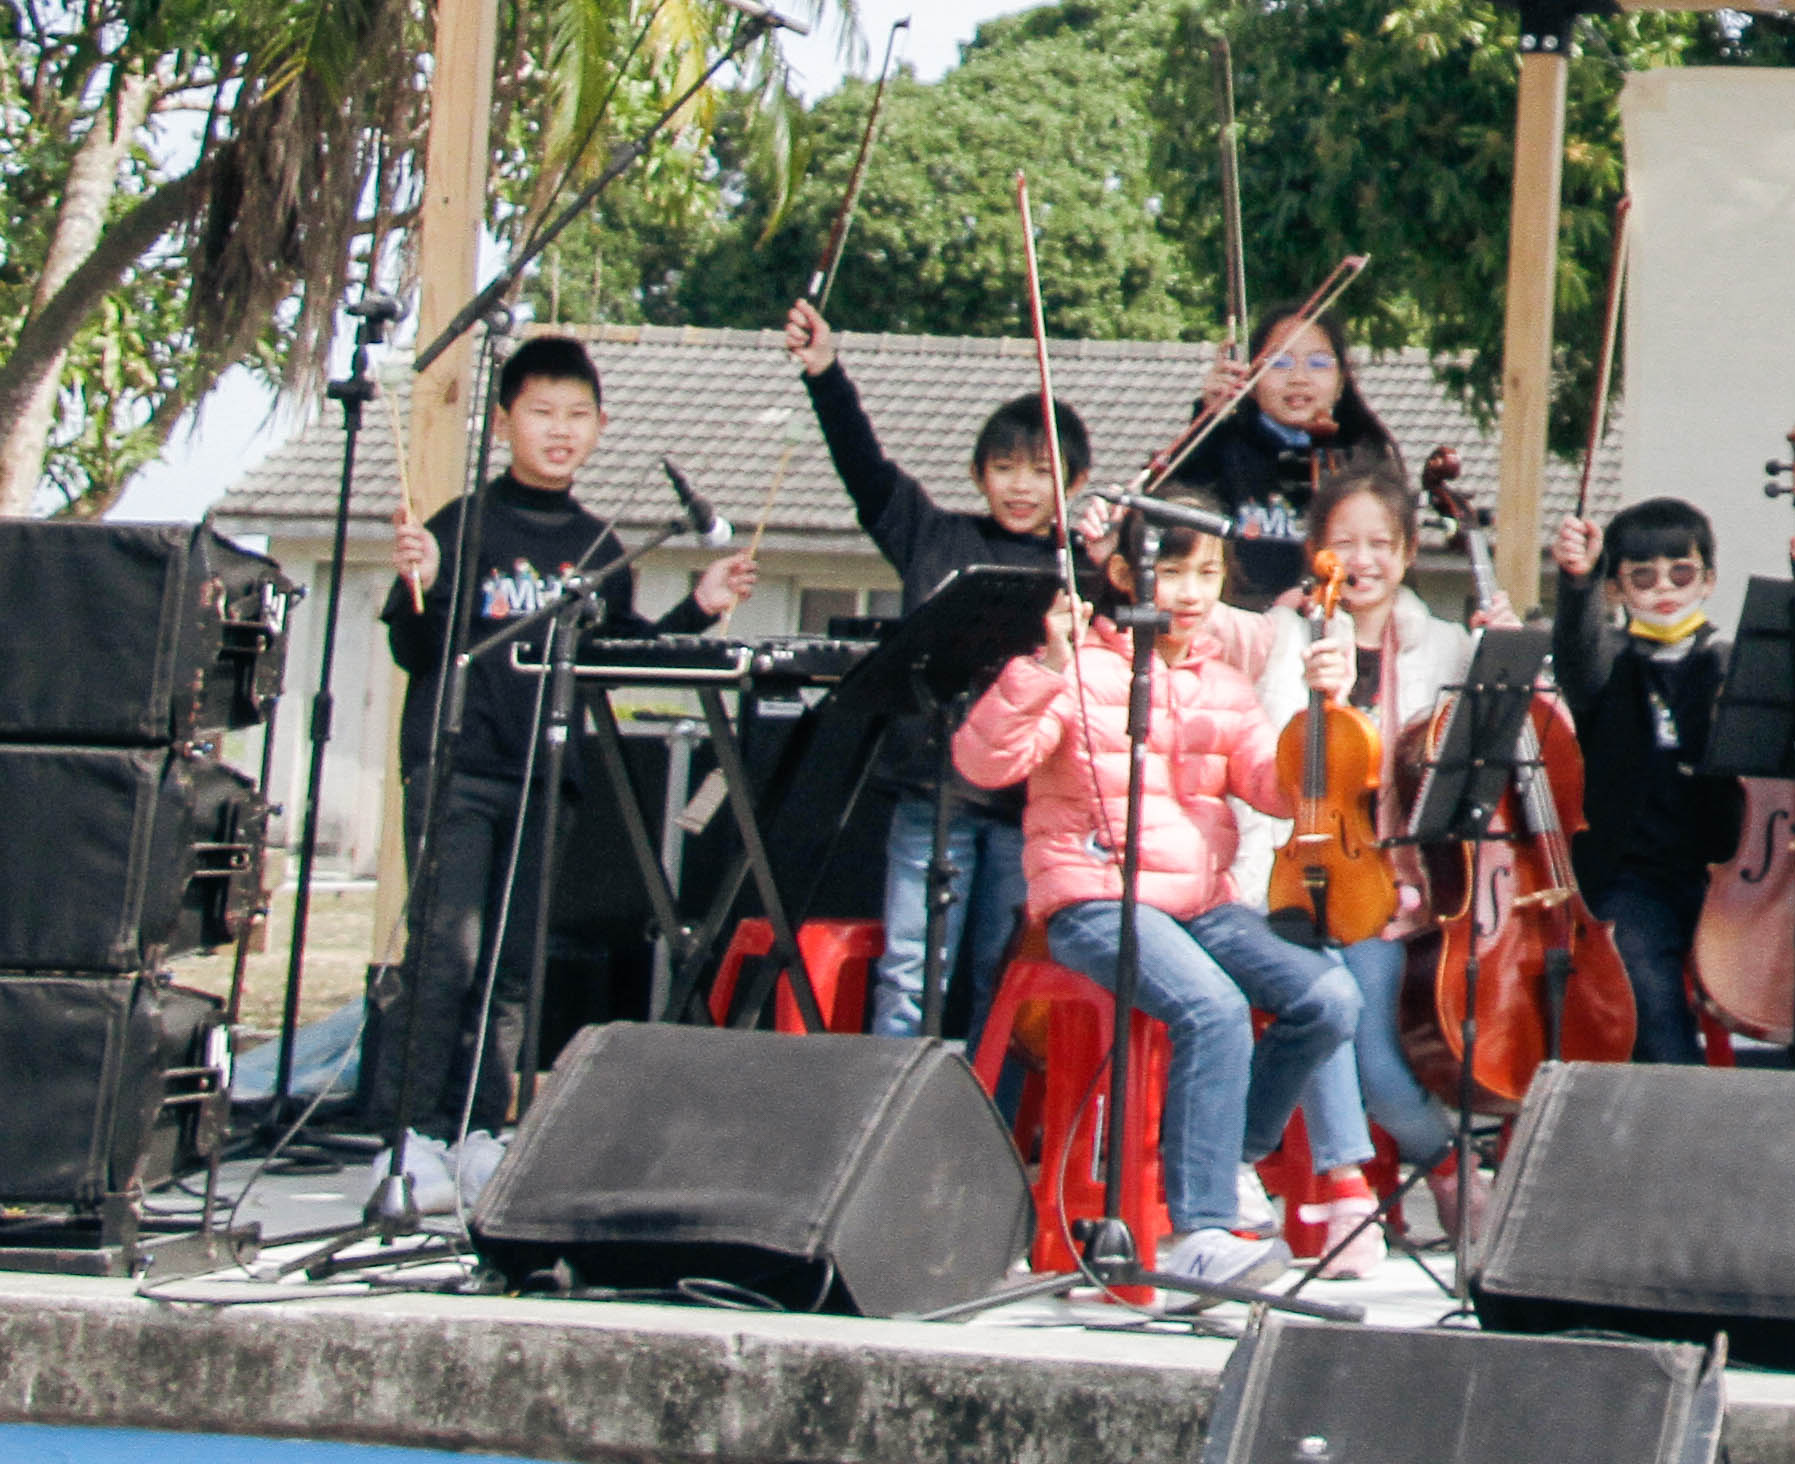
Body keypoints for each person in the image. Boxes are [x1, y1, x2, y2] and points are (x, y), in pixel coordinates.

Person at [953, 480, 1370, 1288]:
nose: (1190, 594)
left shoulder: (1225, 684)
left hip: (1200, 902)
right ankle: (1204, 1228)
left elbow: (1280, 790)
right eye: (1172, 572)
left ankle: (1229, 1156)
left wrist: (1326, 710)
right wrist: (1045, 669)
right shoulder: (1082, 670)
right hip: (1093, 895)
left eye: (1206, 575)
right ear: (1124, 575)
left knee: (1329, 998)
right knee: (1213, 1008)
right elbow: (982, 763)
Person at [379, 332, 759, 1208]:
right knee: (445, 955)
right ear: (504, 422)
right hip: (460, 767)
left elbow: (615, 659)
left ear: (600, 428)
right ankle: (410, 1138)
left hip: (547, 775)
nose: (559, 430)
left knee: (513, 963)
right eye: (541, 412)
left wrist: (697, 608)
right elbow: (417, 651)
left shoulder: (598, 546)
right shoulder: (461, 526)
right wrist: (421, 584)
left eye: (577, 415)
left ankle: (480, 1129)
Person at [783, 295, 1078, 1043]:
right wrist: (826, 375)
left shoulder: (1079, 565)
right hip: (931, 789)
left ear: (1073, 485)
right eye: (1004, 468)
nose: (1021, 487)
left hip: (1026, 805)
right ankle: (900, 1107)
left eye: (1041, 472)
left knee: (999, 979)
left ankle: (983, 1109)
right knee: (912, 973)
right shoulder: (933, 536)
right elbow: (864, 467)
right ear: (978, 474)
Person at [1255, 463, 1482, 1235]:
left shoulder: (1446, 648)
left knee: (1380, 1060)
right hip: (1287, 882)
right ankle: (1353, 1187)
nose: (1362, 561)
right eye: (1344, 543)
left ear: (1409, 552)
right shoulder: (1284, 635)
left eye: (1380, 544)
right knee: (1333, 1016)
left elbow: (1524, 742)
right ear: (1316, 551)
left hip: (1396, 889)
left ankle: (1439, 1164)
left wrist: (1507, 652)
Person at [1541, 496, 1743, 1066]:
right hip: (1630, 879)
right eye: (1642, 577)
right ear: (1616, 589)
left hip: (1728, 875)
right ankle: (1680, 1103)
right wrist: (1577, 582)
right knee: (1649, 998)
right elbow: (1578, 653)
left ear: (1708, 580)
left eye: (1681, 572)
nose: (1664, 589)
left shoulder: (1729, 661)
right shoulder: (1608, 662)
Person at [1190, 300, 1400, 609]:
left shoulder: (1366, 458)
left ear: (1341, 381)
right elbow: (1177, 513)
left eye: (1318, 363)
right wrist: (1207, 421)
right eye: (1279, 362)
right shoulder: (1221, 446)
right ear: (1251, 377)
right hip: (1240, 621)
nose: (1298, 378)